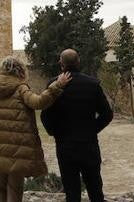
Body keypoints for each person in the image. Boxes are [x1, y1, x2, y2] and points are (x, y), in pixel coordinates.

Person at [0, 55, 72, 202]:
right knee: (14, 190)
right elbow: (38, 102)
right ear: (20, 70)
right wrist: (57, 86)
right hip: (17, 148)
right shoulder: (21, 88)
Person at [40, 49, 114, 202]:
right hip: (89, 144)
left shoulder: (54, 85)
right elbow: (107, 114)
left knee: (72, 192)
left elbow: (45, 115)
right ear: (78, 62)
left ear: (61, 63)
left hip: (65, 146)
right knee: (95, 190)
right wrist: (92, 129)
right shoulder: (93, 84)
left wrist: (55, 132)